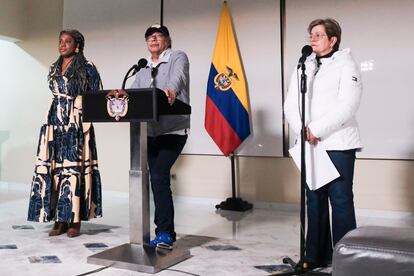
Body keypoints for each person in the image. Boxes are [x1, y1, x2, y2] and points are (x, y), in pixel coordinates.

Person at [284, 18, 363, 269]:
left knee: (340, 201)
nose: (312, 39)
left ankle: (345, 260)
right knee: (314, 200)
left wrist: (316, 129)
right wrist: (304, 131)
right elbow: (290, 104)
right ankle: (314, 256)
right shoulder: (303, 66)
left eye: (318, 35)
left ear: (333, 39)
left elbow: (348, 105)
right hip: (310, 145)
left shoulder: (346, 64)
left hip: (338, 143)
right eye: (311, 34)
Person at [27, 29, 103, 238]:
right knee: (56, 171)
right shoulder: (54, 67)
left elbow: (96, 95)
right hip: (54, 122)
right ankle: (59, 220)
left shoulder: (88, 67)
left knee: (73, 171)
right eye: (60, 41)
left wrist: (82, 117)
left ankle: (75, 220)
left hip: (76, 122)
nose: (62, 45)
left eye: (67, 42)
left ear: (76, 45)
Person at [130, 24, 190, 249]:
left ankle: (165, 233)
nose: (154, 39)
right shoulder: (143, 68)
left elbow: (179, 78)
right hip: (149, 132)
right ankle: (161, 231)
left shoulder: (177, 57)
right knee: (156, 180)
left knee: (158, 176)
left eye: (159, 36)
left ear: (168, 40)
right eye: (149, 37)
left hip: (173, 130)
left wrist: (172, 90)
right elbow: (134, 94)